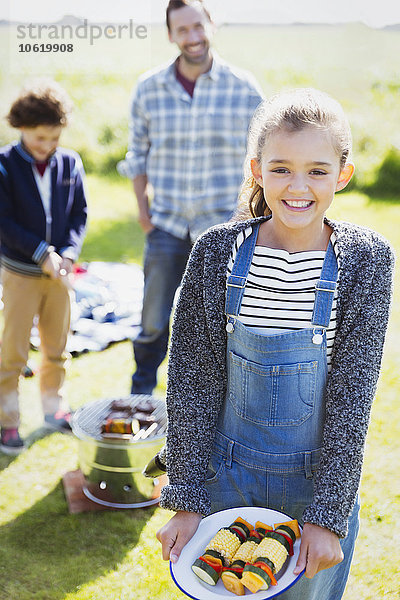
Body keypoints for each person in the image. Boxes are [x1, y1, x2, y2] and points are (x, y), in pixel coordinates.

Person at [155, 88, 395, 599]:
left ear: (343, 175)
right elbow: (192, 382)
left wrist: (328, 515)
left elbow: (353, 396)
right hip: (224, 479)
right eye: (281, 168)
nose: (298, 187)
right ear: (257, 170)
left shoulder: (366, 260)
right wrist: (188, 496)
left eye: (317, 170)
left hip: (315, 488)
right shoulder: (217, 251)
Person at [117, 0, 263, 395]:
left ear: (211, 24)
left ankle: (215, 401)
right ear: (170, 35)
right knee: (153, 317)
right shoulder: (149, 89)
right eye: (182, 30)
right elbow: (138, 155)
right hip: (165, 224)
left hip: (221, 227)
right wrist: (143, 212)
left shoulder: (244, 88)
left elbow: (261, 160)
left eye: (197, 26)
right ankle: (141, 392)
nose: (192, 37)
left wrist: (242, 217)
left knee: (219, 321)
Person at [0, 80, 88, 454]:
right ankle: (8, 422)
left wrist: (67, 252)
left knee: (57, 348)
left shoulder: (70, 163)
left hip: (59, 275)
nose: (48, 146)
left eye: (54, 138)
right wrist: (41, 253)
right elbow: (4, 223)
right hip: (21, 274)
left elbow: (78, 215)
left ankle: (54, 410)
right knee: (13, 352)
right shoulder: (5, 165)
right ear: (21, 128)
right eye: (40, 138)